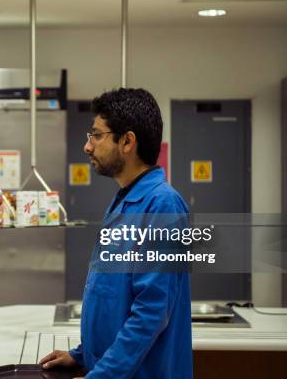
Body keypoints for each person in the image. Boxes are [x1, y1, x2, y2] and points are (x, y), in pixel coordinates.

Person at [39, 88, 192, 378]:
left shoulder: (162, 205)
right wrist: (81, 355)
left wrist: (102, 375)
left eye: (96, 135)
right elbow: (113, 299)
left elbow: (151, 313)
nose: (87, 146)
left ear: (127, 141)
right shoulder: (125, 199)